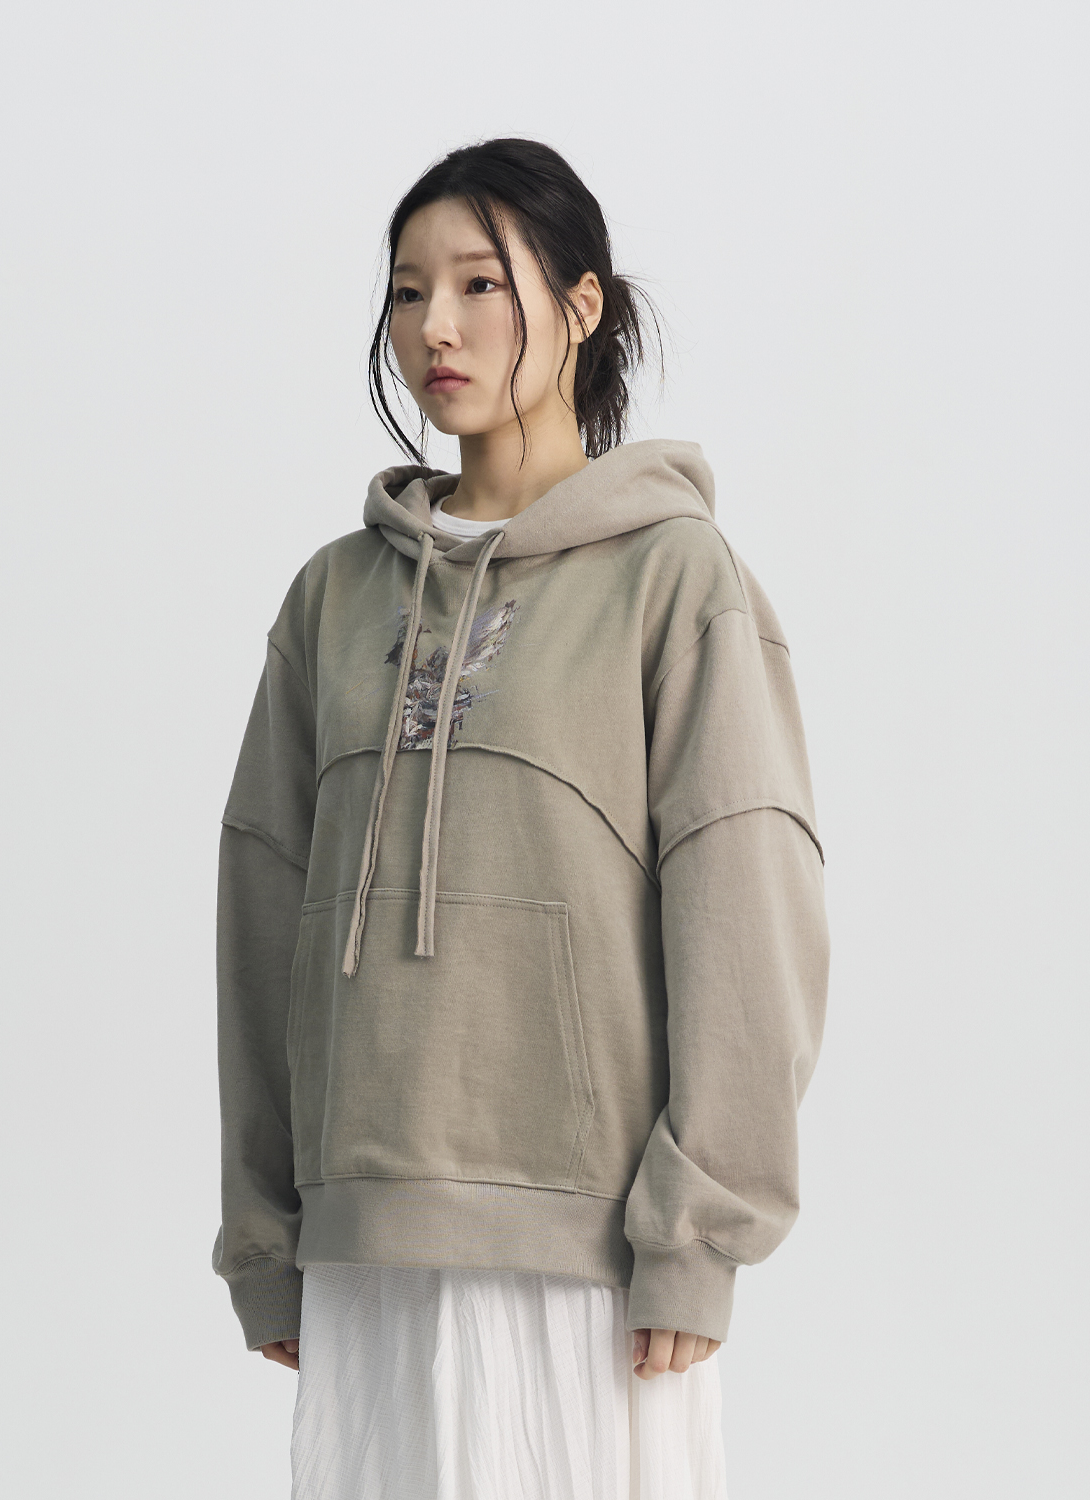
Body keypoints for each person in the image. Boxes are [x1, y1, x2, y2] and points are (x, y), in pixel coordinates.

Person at [211, 137, 829, 1499]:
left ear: (583, 304)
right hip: (364, 1236)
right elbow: (263, 909)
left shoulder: (676, 577)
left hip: (591, 1249)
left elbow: (746, 900)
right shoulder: (333, 598)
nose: (436, 325)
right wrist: (266, 1234)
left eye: (481, 284)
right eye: (406, 290)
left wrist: (697, 1234)